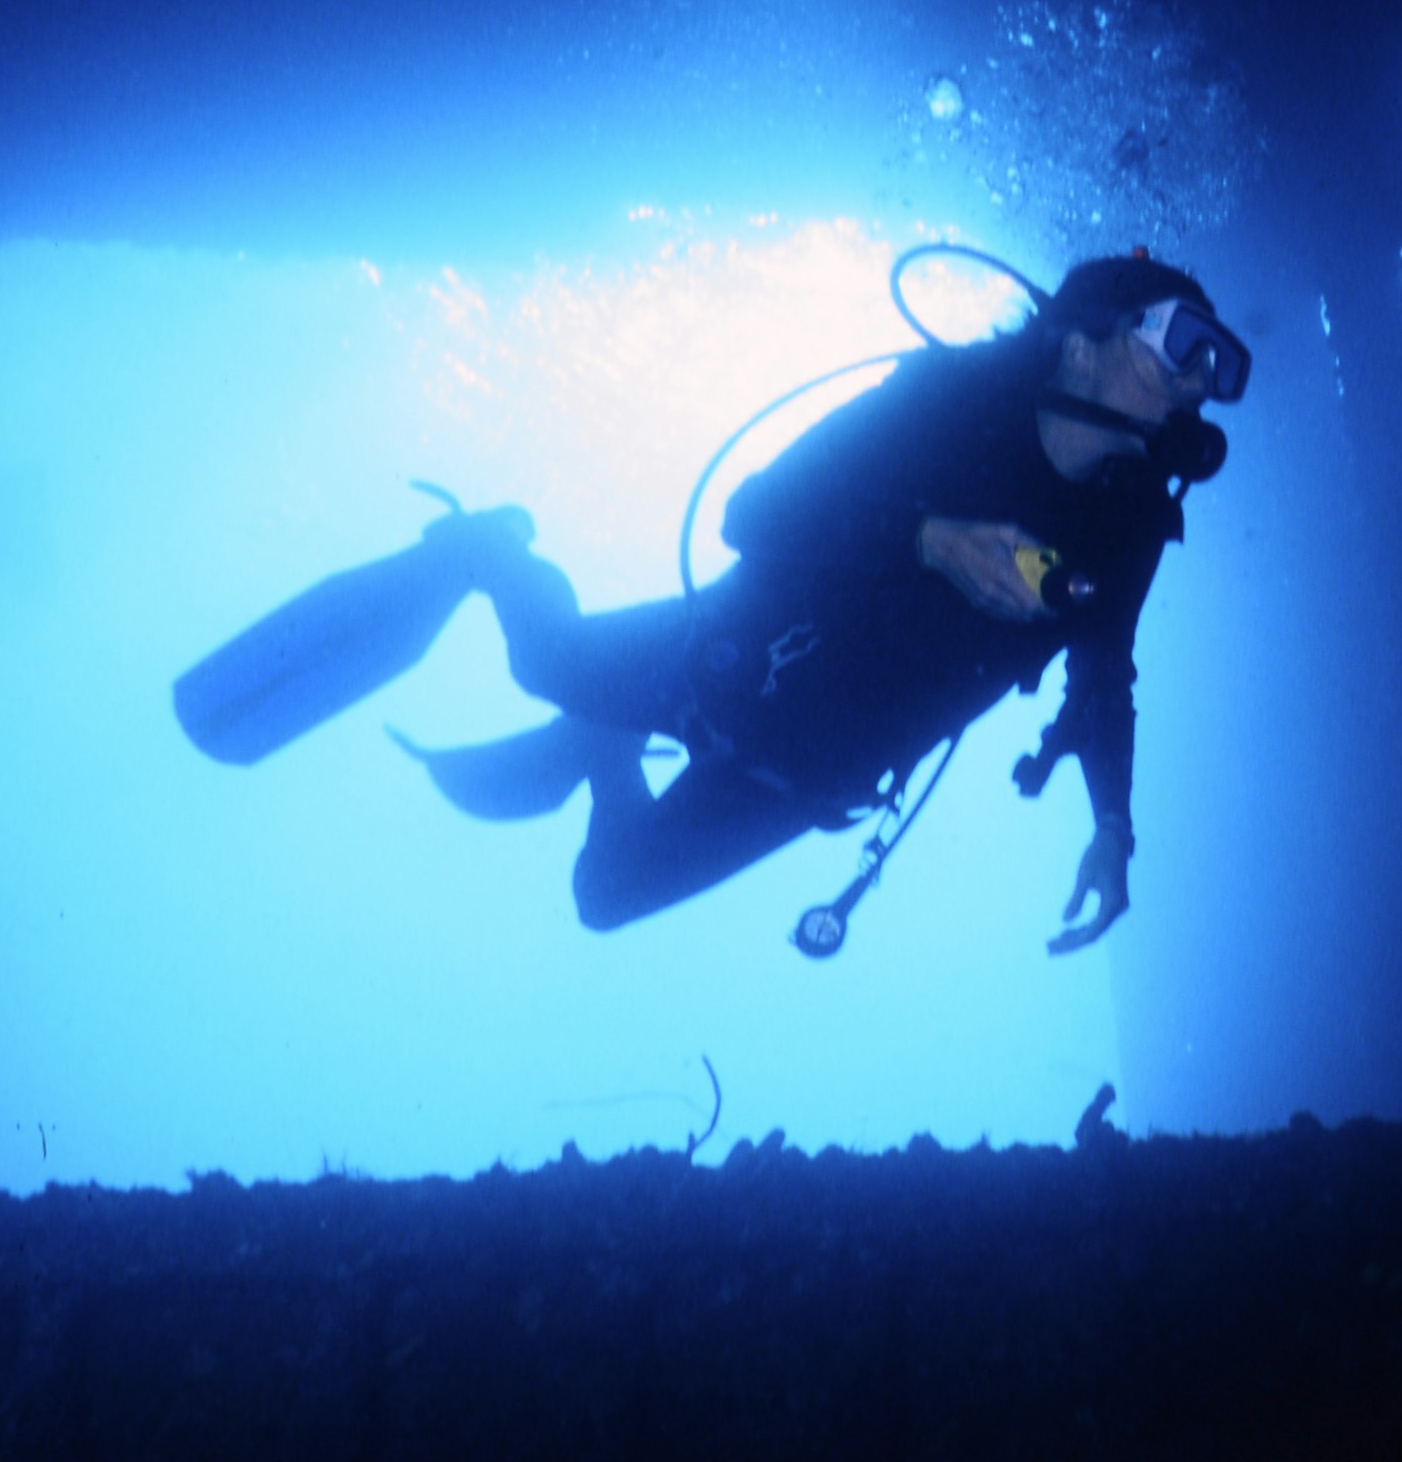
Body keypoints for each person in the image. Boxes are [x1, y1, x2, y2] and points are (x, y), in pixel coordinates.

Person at [191, 252, 1247, 947]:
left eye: (1219, 365)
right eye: (1183, 344)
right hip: (729, 650)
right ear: (1084, 335)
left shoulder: (1130, 521)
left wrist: (1114, 824)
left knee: (605, 899)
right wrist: (930, 538)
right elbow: (755, 510)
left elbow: (1104, 670)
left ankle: (600, 744)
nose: (1201, 380)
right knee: (538, 660)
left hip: (816, 768)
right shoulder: (948, 404)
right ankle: (485, 551)